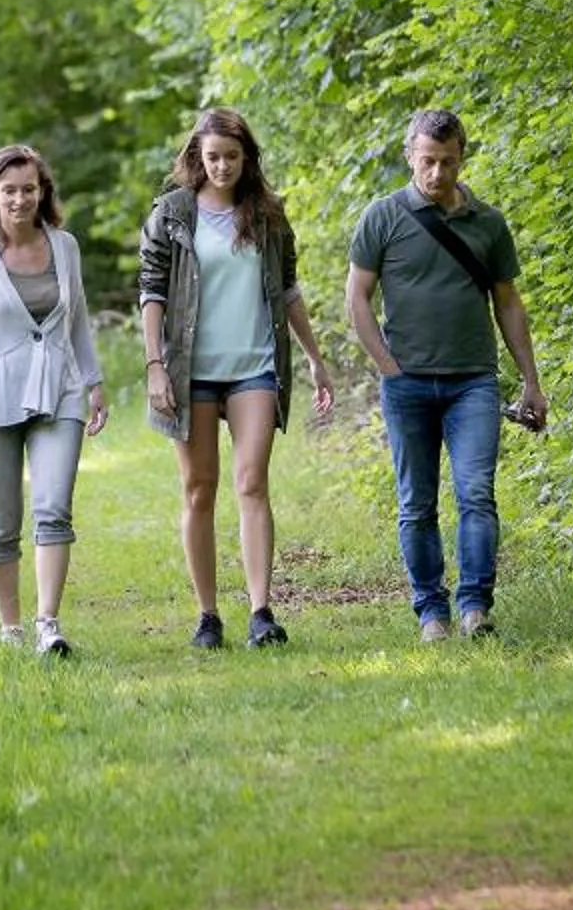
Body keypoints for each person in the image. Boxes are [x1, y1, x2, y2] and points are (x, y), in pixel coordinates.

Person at [136, 109, 336, 651]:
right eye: (212, 156)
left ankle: (261, 611)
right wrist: (156, 365)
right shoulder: (173, 215)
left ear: (246, 158)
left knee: (252, 482)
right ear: (197, 158)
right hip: (191, 371)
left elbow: (288, 290)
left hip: (254, 366)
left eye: (231, 156)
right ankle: (207, 616)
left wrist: (314, 357)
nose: (222, 166)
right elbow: (152, 292)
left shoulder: (268, 215)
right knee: (199, 489)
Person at [345, 109, 546, 642]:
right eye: (428, 162)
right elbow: (357, 299)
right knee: (417, 502)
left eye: (448, 162)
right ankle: (431, 613)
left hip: (473, 381)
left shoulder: (488, 223)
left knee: (477, 492)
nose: (437, 174)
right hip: (406, 383)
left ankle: (476, 608)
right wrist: (387, 364)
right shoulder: (382, 217)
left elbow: (508, 304)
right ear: (410, 155)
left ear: (462, 159)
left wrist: (530, 380)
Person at [0, 142, 109, 657]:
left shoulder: (66, 247)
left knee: (54, 508)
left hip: (60, 391)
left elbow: (77, 321)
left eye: (28, 189)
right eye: (8, 190)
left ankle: (47, 624)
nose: (19, 199)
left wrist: (94, 383)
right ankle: (10, 629)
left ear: (42, 191)